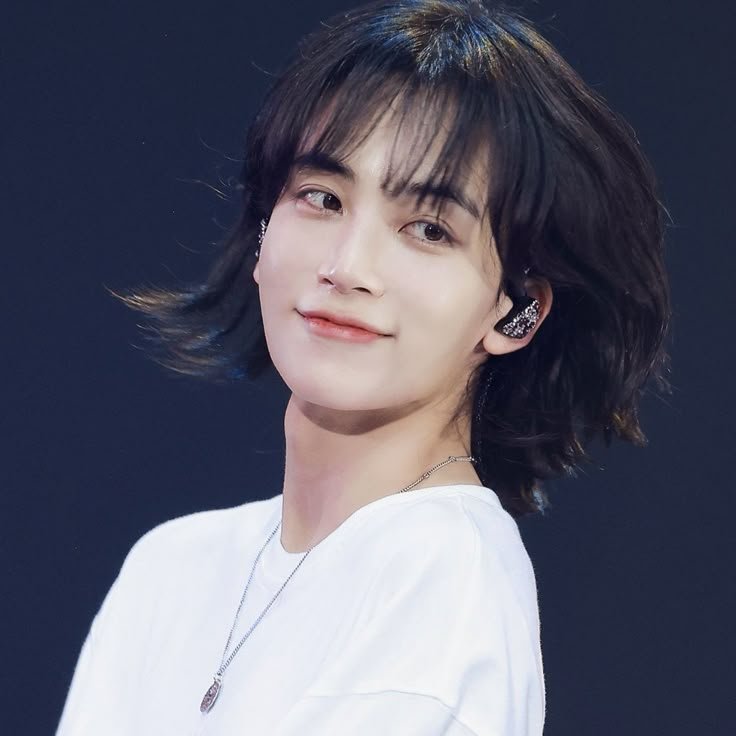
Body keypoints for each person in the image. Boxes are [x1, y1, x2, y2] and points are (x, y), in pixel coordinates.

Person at [56, 0, 672, 734]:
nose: (347, 267)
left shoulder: (442, 578)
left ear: (516, 311)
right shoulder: (170, 568)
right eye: (322, 198)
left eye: (428, 229)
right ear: (262, 231)